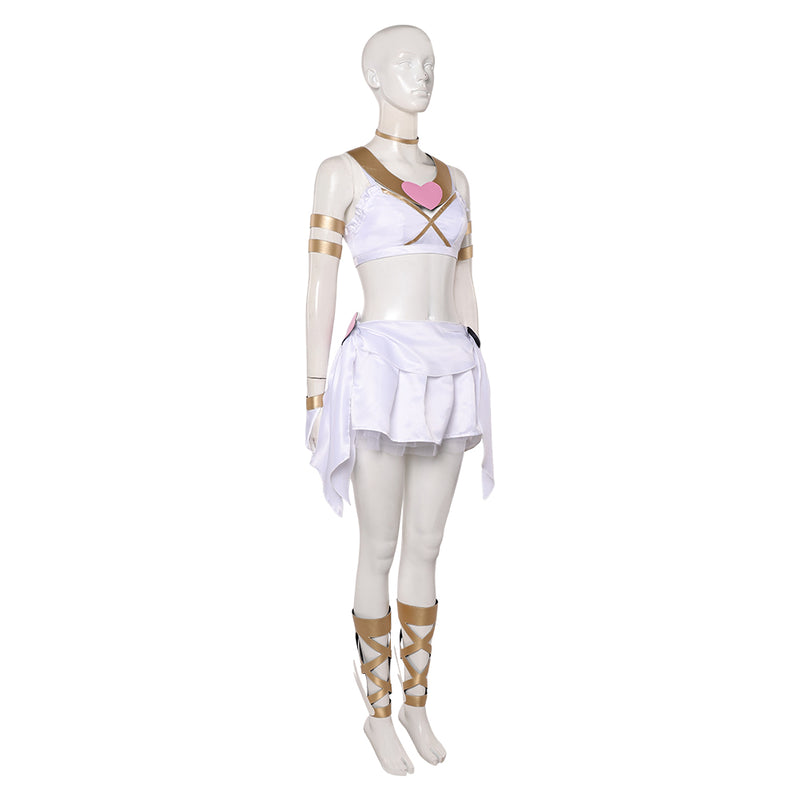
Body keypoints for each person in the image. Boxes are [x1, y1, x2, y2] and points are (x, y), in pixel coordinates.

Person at [304, 24, 493, 776]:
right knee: (378, 544)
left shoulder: (459, 179)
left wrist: (480, 361)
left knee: (427, 546)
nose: (424, 73)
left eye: (430, 63)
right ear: (373, 76)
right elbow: (319, 285)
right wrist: (313, 391)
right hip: (379, 372)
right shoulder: (340, 173)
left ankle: (417, 701)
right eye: (407, 63)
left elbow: (465, 283)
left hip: (450, 370)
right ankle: (376, 711)